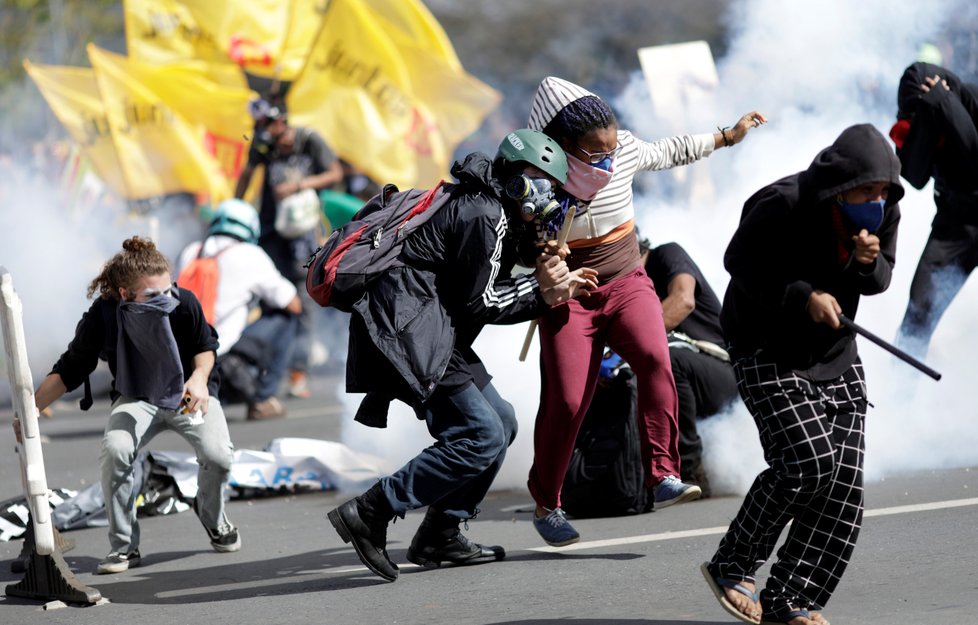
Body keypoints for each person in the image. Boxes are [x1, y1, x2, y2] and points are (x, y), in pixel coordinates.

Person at [326, 129, 597, 582]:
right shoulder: (484, 214)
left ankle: (441, 534)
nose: (548, 194)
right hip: (408, 330)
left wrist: (538, 255)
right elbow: (483, 301)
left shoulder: (491, 207)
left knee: (503, 422)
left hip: (428, 325)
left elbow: (474, 271)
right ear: (513, 178)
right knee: (482, 433)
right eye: (540, 180)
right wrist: (547, 293)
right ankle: (370, 512)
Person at [523, 75, 766, 546]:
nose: (609, 160)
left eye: (613, 147)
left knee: (657, 358)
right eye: (596, 153)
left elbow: (670, 150)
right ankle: (547, 503)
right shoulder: (536, 176)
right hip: (570, 300)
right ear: (564, 144)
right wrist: (544, 265)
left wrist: (725, 137)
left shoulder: (626, 149)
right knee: (568, 401)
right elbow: (512, 250)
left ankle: (662, 475)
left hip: (628, 282)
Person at [701, 124, 903, 625]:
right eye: (864, 191)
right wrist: (803, 296)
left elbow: (879, 281)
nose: (874, 200)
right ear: (839, 185)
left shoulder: (885, 211)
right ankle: (734, 564)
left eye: (882, 192)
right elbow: (739, 263)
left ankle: (791, 599)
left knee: (844, 485)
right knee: (808, 462)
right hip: (765, 346)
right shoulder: (783, 203)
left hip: (835, 353)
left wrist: (866, 263)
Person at [33, 236, 240, 575]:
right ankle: (124, 547)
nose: (164, 300)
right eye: (152, 296)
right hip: (136, 396)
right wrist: (31, 409)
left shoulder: (184, 302)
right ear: (125, 295)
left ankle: (213, 517)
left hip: (187, 393)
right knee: (116, 450)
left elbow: (206, 346)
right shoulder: (103, 315)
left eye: (167, 290)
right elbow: (71, 366)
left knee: (218, 455)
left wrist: (200, 378)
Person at [234, 99, 344, 399]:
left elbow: (335, 174)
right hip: (270, 230)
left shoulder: (308, 141)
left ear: (281, 121)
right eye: (259, 127)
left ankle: (299, 371)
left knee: (303, 298)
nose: (263, 131)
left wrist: (299, 186)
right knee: (270, 298)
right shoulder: (262, 145)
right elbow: (247, 173)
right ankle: (267, 368)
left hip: (303, 233)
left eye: (267, 125)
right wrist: (234, 208)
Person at [178, 198, 302, 420]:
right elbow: (292, 303)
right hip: (223, 363)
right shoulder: (249, 254)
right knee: (286, 317)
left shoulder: (191, 251)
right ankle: (262, 399)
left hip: (184, 363)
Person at [890, 62, 978, 359]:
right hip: (955, 223)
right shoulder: (922, 111)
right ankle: (901, 394)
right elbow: (914, 176)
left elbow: (974, 153)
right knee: (918, 313)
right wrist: (930, 115)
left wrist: (947, 105)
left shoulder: (968, 99)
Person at [640, 238, 739, 497]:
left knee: (669, 360)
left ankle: (691, 469)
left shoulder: (666, 255)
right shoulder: (622, 286)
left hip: (721, 371)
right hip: (684, 377)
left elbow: (683, 300)